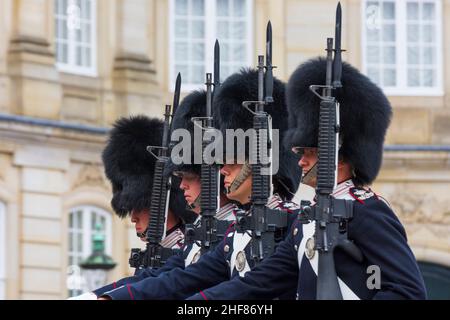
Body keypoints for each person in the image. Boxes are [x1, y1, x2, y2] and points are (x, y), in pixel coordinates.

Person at [186, 58, 427, 300]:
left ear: (340, 156)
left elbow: (408, 291)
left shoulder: (366, 211)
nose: (301, 161)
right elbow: (261, 281)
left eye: (310, 153)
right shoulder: (306, 220)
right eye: (302, 153)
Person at [97, 68, 301, 300]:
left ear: (260, 161)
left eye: (231, 162)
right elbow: (179, 279)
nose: (222, 169)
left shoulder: (293, 222)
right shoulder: (234, 234)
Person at [69, 115, 195, 299]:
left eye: (139, 205)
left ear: (161, 201)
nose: (132, 217)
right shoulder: (154, 252)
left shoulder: (187, 247)